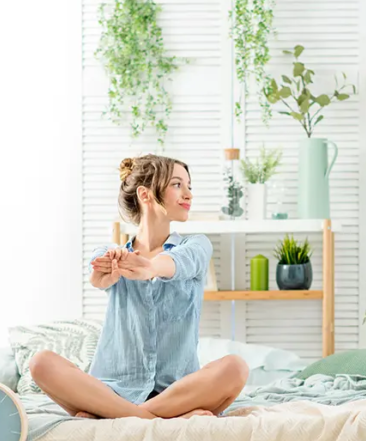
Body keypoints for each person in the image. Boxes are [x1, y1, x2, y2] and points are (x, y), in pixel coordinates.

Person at [29, 154, 248, 419]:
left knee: (235, 367)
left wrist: (151, 267)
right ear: (146, 194)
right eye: (177, 184)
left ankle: (116, 416)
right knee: (41, 362)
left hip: (177, 391)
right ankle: (159, 420)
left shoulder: (196, 246)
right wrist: (103, 276)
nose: (188, 193)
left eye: (189, 186)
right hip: (113, 389)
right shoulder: (113, 253)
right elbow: (96, 273)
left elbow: (180, 262)